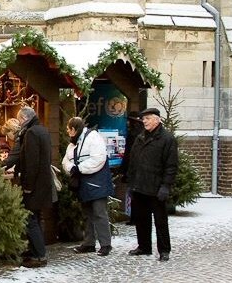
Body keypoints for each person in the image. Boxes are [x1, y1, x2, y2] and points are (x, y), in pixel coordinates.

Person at [126, 108, 178, 262]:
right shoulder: (140, 137)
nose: (145, 121)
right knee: (141, 219)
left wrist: (165, 186)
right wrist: (131, 182)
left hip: (156, 188)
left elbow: (171, 166)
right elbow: (133, 161)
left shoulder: (167, 139)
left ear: (157, 120)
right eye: (144, 119)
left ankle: (164, 250)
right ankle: (144, 246)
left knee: (160, 221)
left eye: (148, 118)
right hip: (139, 186)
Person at [61, 117, 114, 256]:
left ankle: (105, 244)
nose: (67, 132)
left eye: (68, 129)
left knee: (99, 213)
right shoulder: (73, 143)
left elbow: (99, 159)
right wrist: (72, 168)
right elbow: (65, 160)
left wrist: (79, 168)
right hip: (83, 183)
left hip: (97, 183)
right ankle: (89, 243)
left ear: (74, 129)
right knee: (87, 214)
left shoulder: (93, 138)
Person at [15, 106, 54, 268]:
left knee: (31, 219)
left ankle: (39, 255)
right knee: (36, 218)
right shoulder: (42, 130)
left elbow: (31, 162)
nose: (19, 123)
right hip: (44, 183)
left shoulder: (31, 133)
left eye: (19, 120)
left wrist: (27, 185)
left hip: (35, 185)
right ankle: (36, 251)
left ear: (24, 118)